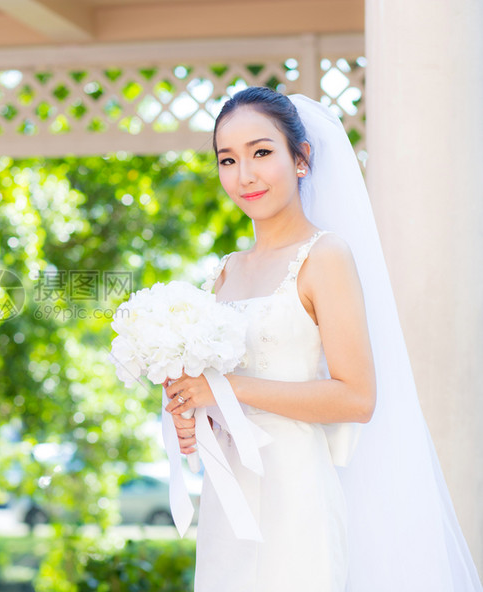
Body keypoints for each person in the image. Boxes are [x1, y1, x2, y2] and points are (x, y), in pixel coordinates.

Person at [162, 87, 483, 591]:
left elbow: (357, 397)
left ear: (302, 159)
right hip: (231, 503)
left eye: (261, 152)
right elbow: (218, 408)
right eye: (228, 159)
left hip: (297, 494)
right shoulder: (224, 273)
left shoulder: (324, 256)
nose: (244, 174)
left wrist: (226, 390)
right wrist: (192, 418)